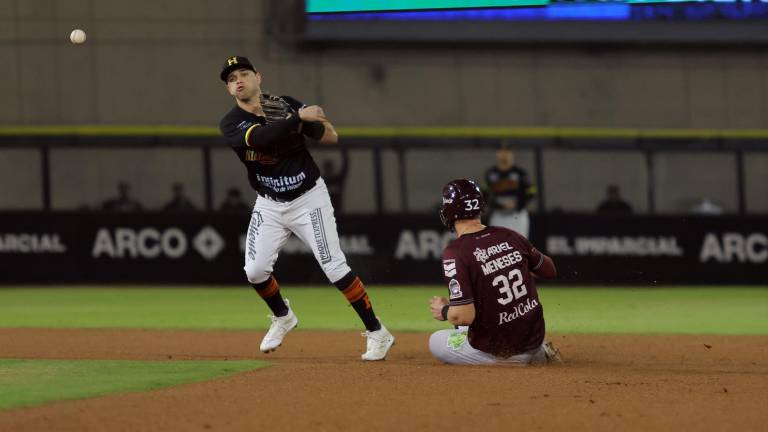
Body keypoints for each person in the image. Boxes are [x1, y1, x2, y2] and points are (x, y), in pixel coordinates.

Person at [217, 56, 394, 360]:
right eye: (232, 79)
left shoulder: (286, 105)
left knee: (333, 264)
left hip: (308, 197)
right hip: (269, 204)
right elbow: (260, 138)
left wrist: (315, 120)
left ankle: (378, 332)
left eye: (244, 73)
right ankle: (283, 317)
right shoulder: (232, 122)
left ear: (258, 76)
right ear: (229, 89)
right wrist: (297, 117)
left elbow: (329, 137)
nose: (239, 80)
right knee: (255, 270)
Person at [428, 178, 562, 366]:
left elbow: (462, 317)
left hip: (500, 351)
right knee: (465, 317)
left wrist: (443, 310)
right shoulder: (509, 234)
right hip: (533, 341)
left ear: (449, 211)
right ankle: (538, 352)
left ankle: (508, 361)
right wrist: (510, 264)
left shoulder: (455, 251)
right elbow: (549, 270)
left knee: (436, 340)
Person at [484, 142, 536, 238]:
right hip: (498, 215)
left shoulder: (520, 173)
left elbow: (531, 192)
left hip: (517, 216)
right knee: (497, 248)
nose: (504, 154)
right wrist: (498, 205)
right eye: (501, 151)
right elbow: (485, 195)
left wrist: (518, 204)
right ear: (497, 154)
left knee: (519, 248)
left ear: (512, 153)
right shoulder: (491, 174)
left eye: (507, 151)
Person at [320, 149, 349, 213]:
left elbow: (345, 168)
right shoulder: (321, 182)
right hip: (326, 212)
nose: (328, 169)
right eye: (327, 167)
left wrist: (344, 151)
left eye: (329, 167)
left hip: (338, 212)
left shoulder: (337, 179)